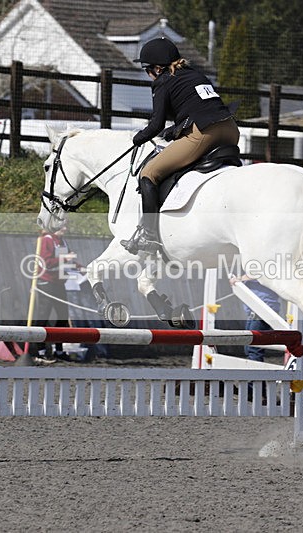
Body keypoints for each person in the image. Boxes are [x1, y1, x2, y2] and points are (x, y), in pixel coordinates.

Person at [120, 37, 239, 255]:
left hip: (205, 133)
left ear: (157, 68)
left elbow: (156, 124)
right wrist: (174, 130)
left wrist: (138, 138)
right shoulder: (196, 74)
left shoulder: (163, 81)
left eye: (147, 70)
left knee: (148, 174)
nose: (148, 75)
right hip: (230, 130)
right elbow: (197, 108)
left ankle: (149, 237)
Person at [25, 224, 76, 364]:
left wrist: (82, 268)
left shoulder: (63, 241)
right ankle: (40, 352)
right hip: (47, 284)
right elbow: (46, 263)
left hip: (59, 284)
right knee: (43, 317)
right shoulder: (47, 240)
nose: (66, 229)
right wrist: (65, 259)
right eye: (62, 227)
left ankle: (58, 350)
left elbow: (69, 260)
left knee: (63, 317)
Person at [229, 275, 281, 363]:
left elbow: (259, 273)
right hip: (256, 312)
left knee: (253, 349)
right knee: (250, 348)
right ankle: (253, 372)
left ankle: (254, 373)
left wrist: (239, 279)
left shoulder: (265, 268)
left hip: (262, 311)